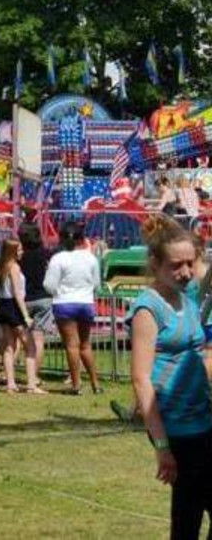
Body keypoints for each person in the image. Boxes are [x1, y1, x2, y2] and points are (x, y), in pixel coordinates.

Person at [129, 215, 212, 538]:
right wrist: (162, 445)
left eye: (190, 263)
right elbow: (140, 379)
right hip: (175, 426)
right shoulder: (148, 309)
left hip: (202, 419)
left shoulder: (187, 296)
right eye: (176, 265)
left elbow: (199, 356)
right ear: (155, 263)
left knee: (188, 510)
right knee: (188, 513)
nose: (186, 272)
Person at [44, 220, 103, 395]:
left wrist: (57, 292)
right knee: (85, 345)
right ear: (81, 238)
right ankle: (95, 383)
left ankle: (76, 385)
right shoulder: (91, 258)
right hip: (86, 303)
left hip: (64, 303)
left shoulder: (58, 258)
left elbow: (49, 285)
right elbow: (97, 284)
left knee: (71, 345)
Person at [0, 239, 38, 394]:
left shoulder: (1, 267)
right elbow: (18, 293)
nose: (22, 252)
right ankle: (31, 384)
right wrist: (25, 316)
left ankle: (10, 384)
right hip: (14, 307)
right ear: (12, 252)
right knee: (30, 346)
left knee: (9, 347)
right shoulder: (14, 267)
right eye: (19, 250)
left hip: (4, 308)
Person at [18, 223, 52, 393]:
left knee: (20, 339)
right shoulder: (45, 254)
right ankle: (34, 376)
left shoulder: (20, 256)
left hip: (24, 299)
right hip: (43, 297)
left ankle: (10, 372)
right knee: (38, 340)